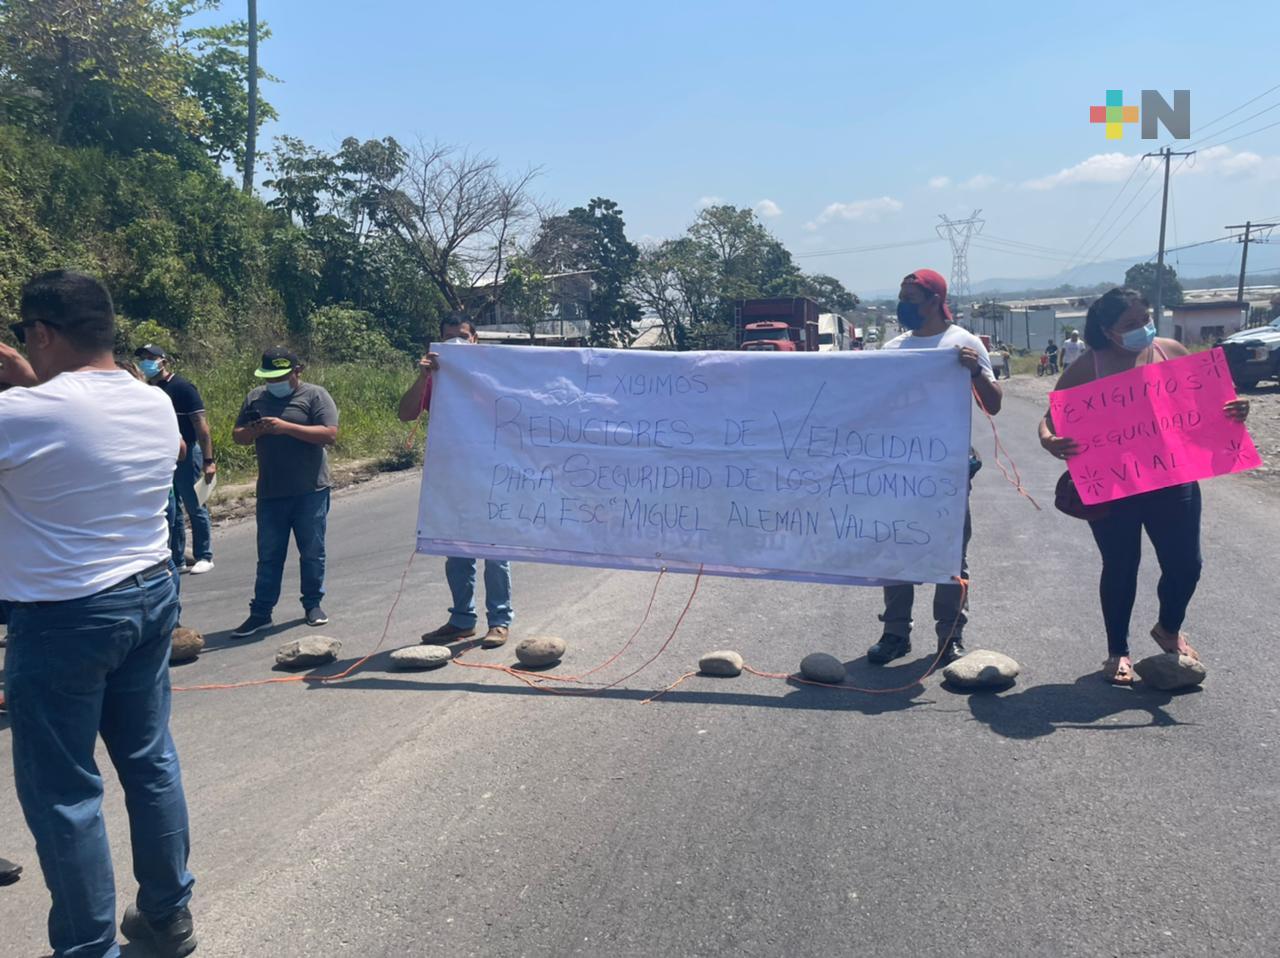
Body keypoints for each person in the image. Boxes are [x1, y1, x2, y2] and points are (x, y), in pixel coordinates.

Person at [0, 270, 197, 957]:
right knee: (148, 761)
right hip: (149, 592)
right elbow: (79, 426)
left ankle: (87, 949)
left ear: (43, 333)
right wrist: (31, 381)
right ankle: (169, 913)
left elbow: (51, 422)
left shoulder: (24, 413)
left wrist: (22, 384)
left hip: (64, 617)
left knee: (65, 794)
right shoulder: (152, 403)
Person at [1038, 287, 1249, 684]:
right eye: (1130, 324)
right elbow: (1049, 417)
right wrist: (1050, 440)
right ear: (1107, 330)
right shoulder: (1090, 365)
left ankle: (1168, 628)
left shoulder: (1171, 350)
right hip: (1115, 484)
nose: (1142, 329)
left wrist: (1236, 410)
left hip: (1173, 476)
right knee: (1121, 566)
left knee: (1187, 564)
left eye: (1145, 318)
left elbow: (1210, 406)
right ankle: (1118, 651)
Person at [865, 269, 1003, 667]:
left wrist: (976, 369)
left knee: (950, 553)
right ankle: (895, 634)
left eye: (910, 297)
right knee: (895, 548)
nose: (902, 305)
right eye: (901, 295)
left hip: (947, 470)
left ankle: (949, 637)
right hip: (897, 469)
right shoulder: (893, 350)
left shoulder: (963, 343)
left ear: (934, 300)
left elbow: (993, 404)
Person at [398, 315, 514, 648]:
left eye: (462, 337)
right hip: (453, 476)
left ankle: (500, 621)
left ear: (475, 339)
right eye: (449, 338)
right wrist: (423, 378)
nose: (457, 344)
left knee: (495, 549)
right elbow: (406, 413)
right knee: (457, 551)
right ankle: (462, 620)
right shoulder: (437, 379)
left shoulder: (498, 373)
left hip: (494, 473)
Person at [230, 347, 339, 637]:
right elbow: (238, 435)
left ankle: (313, 604)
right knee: (269, 555)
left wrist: (286, 427)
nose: (273, 382)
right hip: (270, 491)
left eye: (280, 376)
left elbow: (329, 434)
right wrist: (256, 431)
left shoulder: (315, 395)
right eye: (269, 377)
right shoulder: (256, 397)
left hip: (310, 489)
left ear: (297, 371)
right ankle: (261, 612)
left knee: (312, 551)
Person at [136, 345, 216, 575]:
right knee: (172, 509)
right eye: (143, 359)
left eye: (151, 358)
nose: (146, 363)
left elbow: (201, 425)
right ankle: (178, 557)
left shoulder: (182, 387)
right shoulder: (147, 389)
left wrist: (208, 459)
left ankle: (204, 555)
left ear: (164, 360)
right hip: (162, 455)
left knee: (195, 504)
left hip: (188, 452)